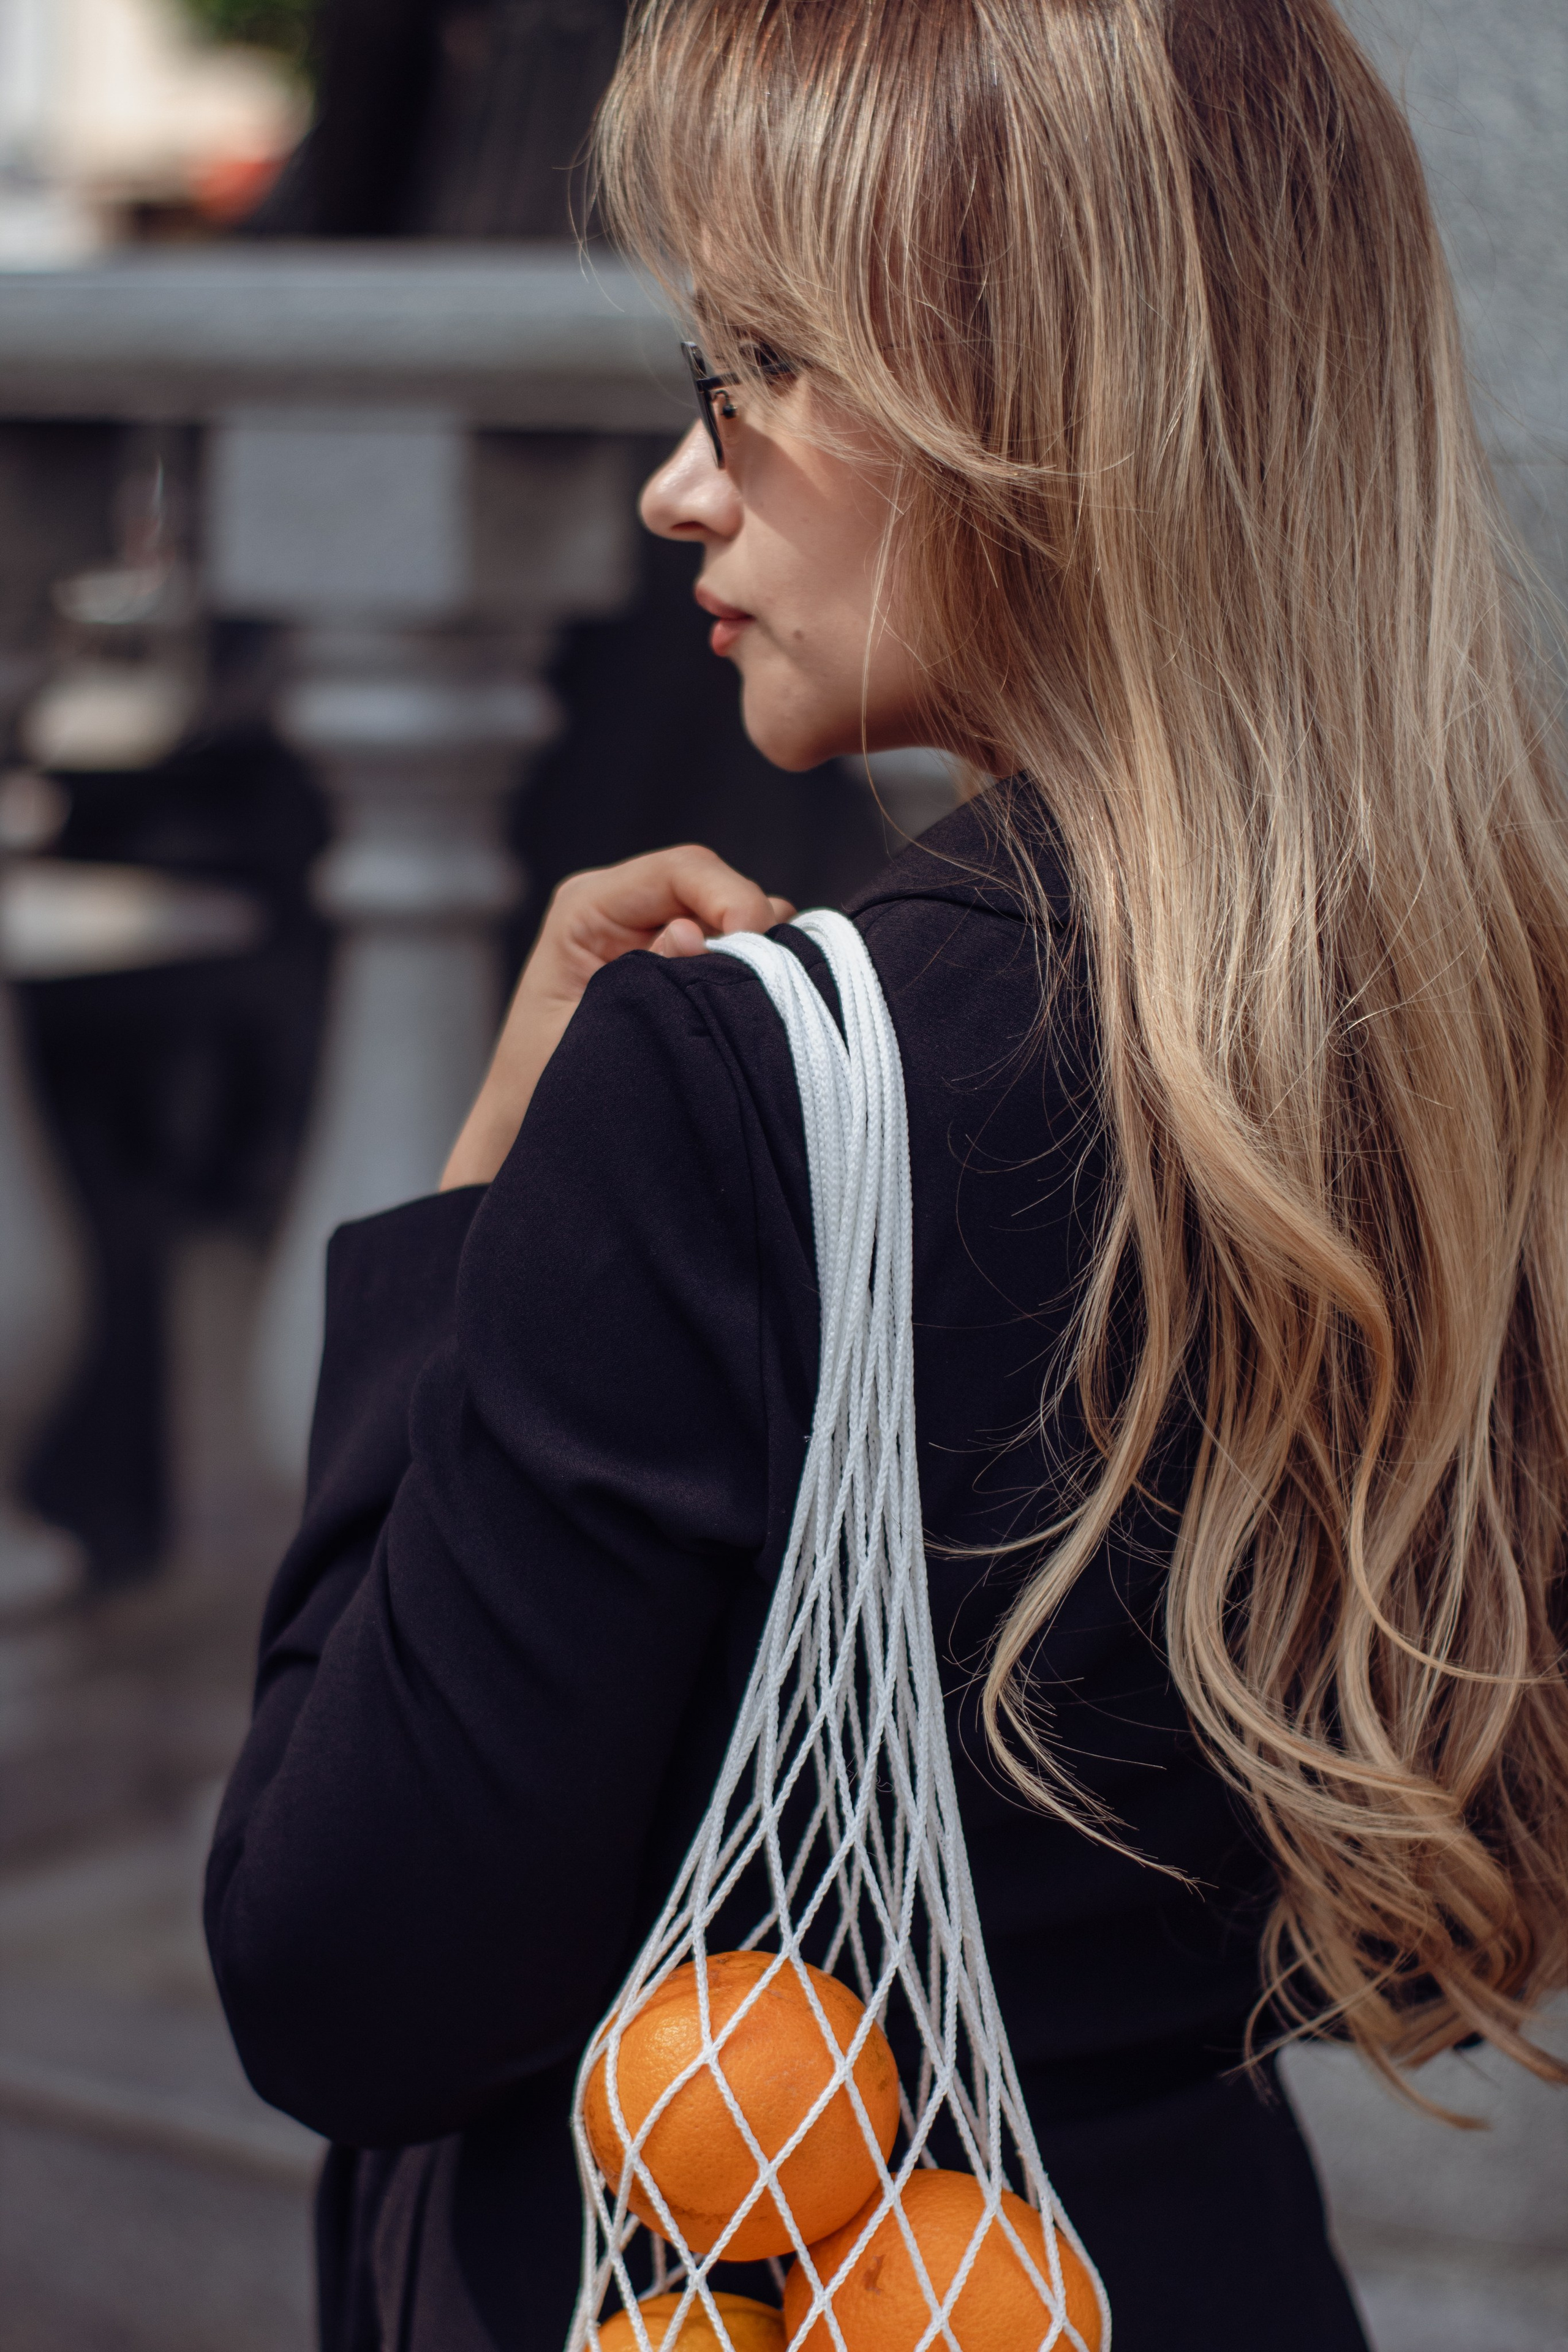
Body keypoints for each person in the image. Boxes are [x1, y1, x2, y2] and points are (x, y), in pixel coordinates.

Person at [205, 4, 1568, 2348]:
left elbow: (345, 1984)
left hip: (731, 2278)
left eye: (761, 364)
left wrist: (463, 1234)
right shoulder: (1444, 1021)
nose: (679, 485)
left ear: (1036, 406)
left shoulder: (735, 1090)